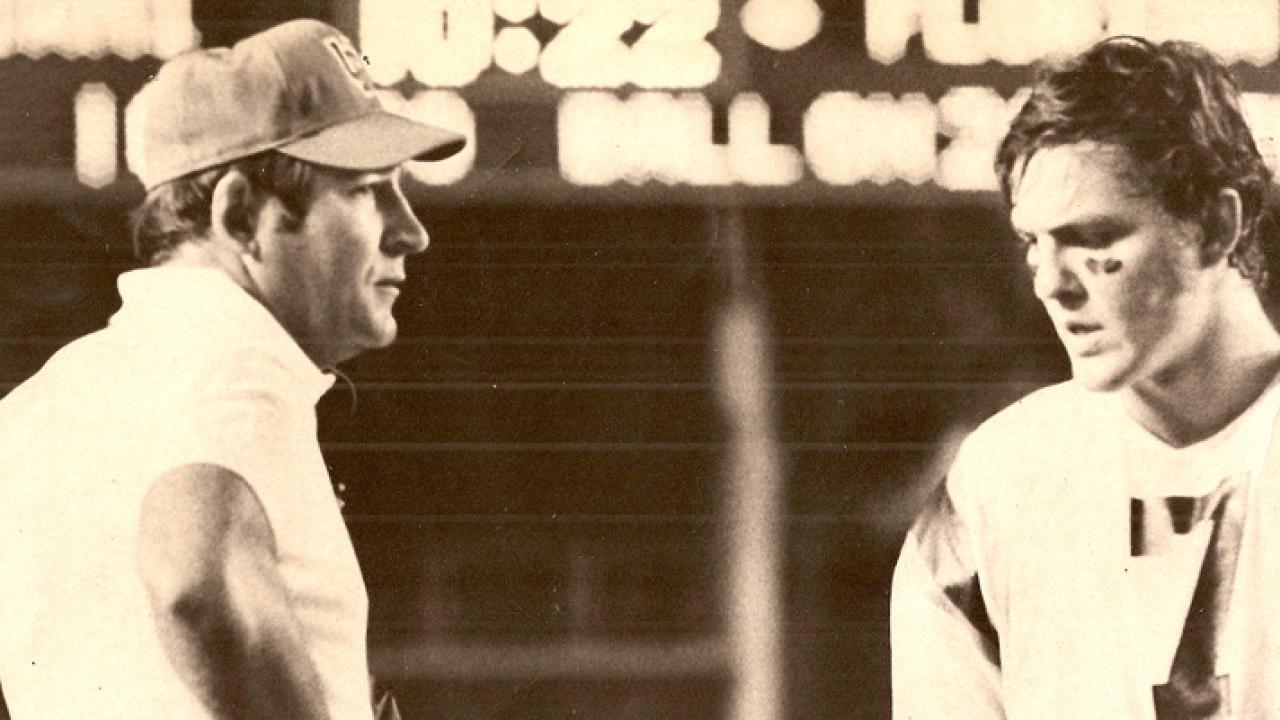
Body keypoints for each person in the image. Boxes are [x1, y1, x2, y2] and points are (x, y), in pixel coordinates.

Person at [0, 19, 463, 720]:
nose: (411, 231)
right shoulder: (236, 363)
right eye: (367, 190)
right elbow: (193, 580)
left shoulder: (46, 400)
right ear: (241, 215)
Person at [890, 36, 1280, 718]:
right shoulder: (998, 481)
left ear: (1216, 225)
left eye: (1094, 239)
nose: (1051, 283)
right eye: (1032, 243)